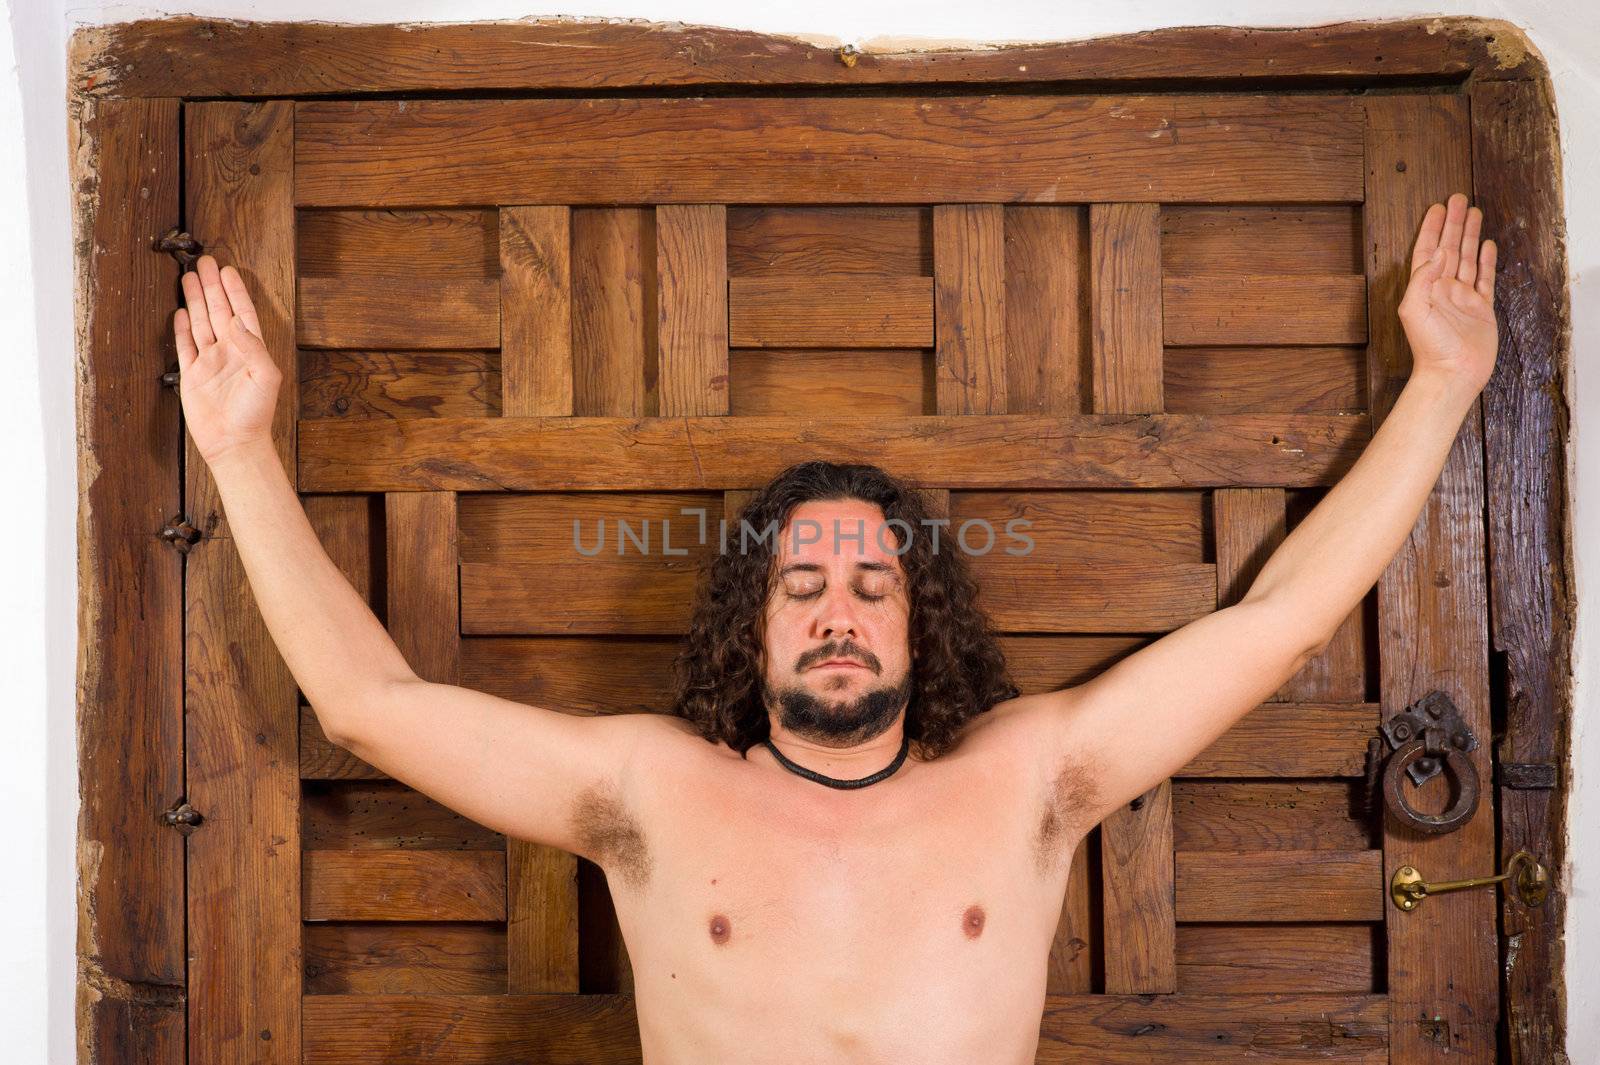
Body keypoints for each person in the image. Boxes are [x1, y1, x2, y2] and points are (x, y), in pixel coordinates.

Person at [172, 192, 1498, 1063]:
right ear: (750, 635)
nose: (839, 612)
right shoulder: (645, 790)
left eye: (872, 585)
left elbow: (1275, 624)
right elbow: (370, 704)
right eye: (801, 588)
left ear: (926, 630)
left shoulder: (1029, 782)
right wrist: (237, 451)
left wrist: (1443, 384)